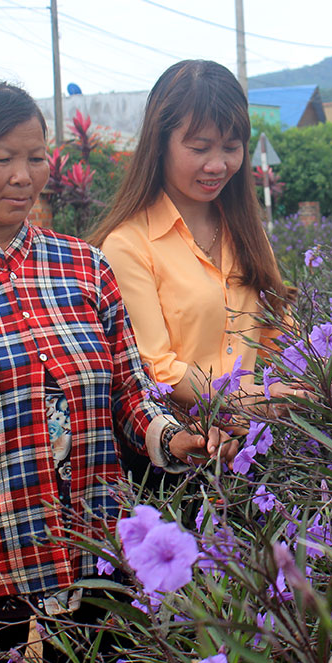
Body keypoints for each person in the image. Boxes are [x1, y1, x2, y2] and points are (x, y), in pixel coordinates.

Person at [0, 79, 233, 663]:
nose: (23, 176)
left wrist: (174, 440)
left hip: (96, 556)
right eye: (3, 158)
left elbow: (129, 391)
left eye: (35, 157)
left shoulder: (83, 267)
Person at [88, 60, 302, 414]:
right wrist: (260, 401)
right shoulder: (128, 245)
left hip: (254, 450)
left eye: (231, 147)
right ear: (159, 144)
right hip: (181, 455)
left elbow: (283, 340)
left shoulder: (247, 234)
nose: (217, 165)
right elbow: (157, 370)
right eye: (200, 148)